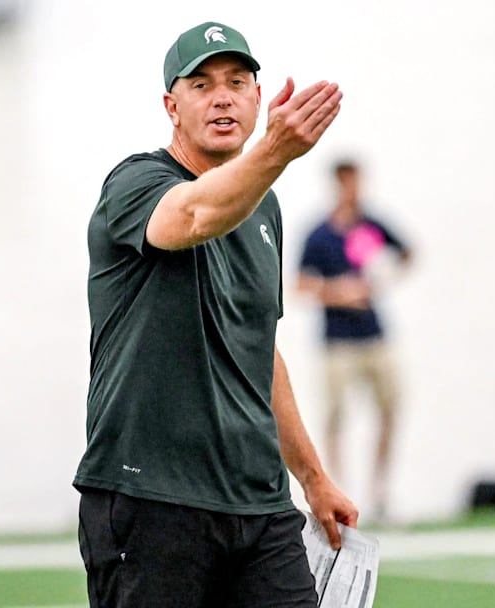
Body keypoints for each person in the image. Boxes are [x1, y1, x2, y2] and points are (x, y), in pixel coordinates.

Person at [73, 21, 357, 608]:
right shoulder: (136, 181)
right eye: (201, 85)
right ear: (171, 107)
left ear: (258, 97)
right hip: (152, 496)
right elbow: (193, 217)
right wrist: (275, 150)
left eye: (236, 81)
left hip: (258, 503)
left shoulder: (265, 208)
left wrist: (312, 477)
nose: (222, 95)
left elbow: (259, 349)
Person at [297, 159, 412, 521]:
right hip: (337, 340)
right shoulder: (319, 235)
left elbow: (406, 253)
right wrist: (338, 292)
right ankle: (337, 487)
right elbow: (301, 285)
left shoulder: (371, 226)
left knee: (390, 407)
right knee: (335, 416)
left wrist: (381, 282)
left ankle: (380, 490)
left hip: (373, 334)